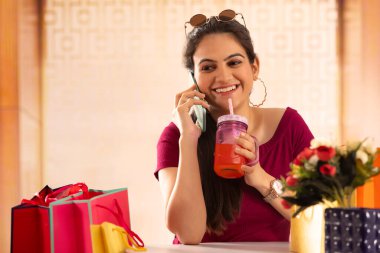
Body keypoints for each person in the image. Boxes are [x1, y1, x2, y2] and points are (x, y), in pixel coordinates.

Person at [154, 9, 314, 245]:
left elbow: (314, 214)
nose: (224, 76)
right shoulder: (175, 136)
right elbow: (188, 234)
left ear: (254, 67)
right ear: (194, 78)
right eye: (208, 67)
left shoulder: (289, 126)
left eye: (234, 62)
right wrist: (188, 139)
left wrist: (259, 176)